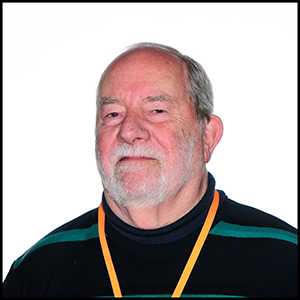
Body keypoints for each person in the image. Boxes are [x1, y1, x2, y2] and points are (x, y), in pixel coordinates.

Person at [3, 42, 297, 298]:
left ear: (207, 136)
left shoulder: (287, 260)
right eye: (113, 114)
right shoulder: (37, 271)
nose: (129, 131)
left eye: (157, 110)